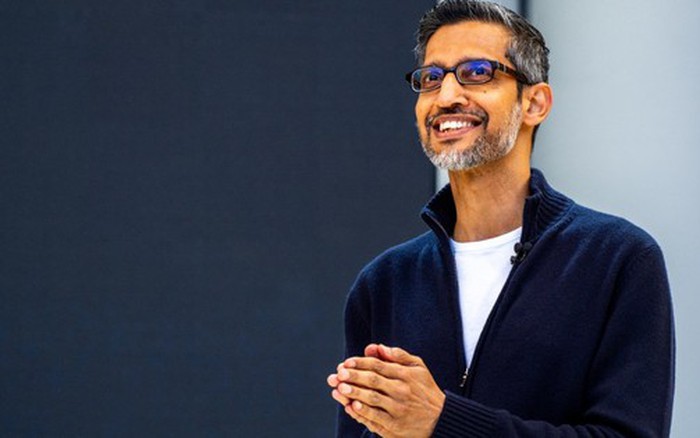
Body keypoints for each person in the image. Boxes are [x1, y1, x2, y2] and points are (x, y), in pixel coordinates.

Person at [326, 0, 675, 437]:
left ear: (535, 103)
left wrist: (442, 421)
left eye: (477, 72)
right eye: (431, 78)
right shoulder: (385, 284)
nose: (446, 97)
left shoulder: (617, 259)